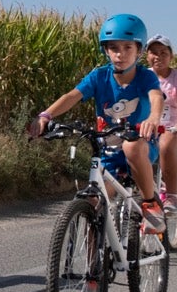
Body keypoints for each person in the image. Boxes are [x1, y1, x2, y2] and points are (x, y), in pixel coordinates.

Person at [30, 13, 166, 232]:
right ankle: (95, 263)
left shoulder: (145, 77)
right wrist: (46, 115)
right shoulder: (99, 76)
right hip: (110, 151)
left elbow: (156, 97)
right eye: (113, 48)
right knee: (93, 204)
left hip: (141, 147)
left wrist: (152, 119)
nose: (120, 54)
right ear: (105, 50)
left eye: (127, 48)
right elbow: (72, 96)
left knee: (132, 145)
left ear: (139, 50)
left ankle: (150, 202)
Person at [145, 34, 177, 211]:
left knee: (165, 145)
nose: (158, 57)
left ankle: (171, 195)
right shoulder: (142, 76)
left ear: (171, 56)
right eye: (154, 52)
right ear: (147, 56)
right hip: (148, 126)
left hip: (171, 127)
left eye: (163, 52)